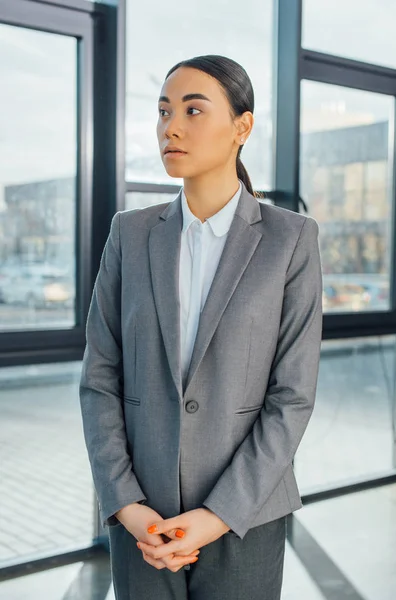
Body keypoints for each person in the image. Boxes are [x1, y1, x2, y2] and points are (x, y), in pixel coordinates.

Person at [79, 54, 323, 600]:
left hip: (245, 516)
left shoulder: (291, 240)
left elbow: (292, 398)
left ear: (243, 126)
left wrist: (217, 515)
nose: (171, 126)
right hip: (144, 521)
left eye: (193, 109)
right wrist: (126, 504)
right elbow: (100, 377)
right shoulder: (130, 233)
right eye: (164, 111)